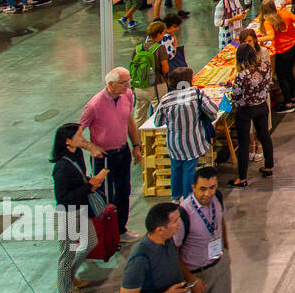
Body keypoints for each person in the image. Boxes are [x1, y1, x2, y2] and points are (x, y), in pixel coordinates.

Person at [173, 167, 255, 293]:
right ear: (193, 187)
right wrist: (191, 280)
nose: (207, 193)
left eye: (211, 187)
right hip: (196, 275)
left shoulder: (217, 199)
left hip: (218, 266)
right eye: (202, 189)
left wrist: (225, 249)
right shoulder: (184, 213)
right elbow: (174, 252)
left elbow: (220, 221)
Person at [78, 68, 144, 244]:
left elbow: (129, 120)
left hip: (122, 152)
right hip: (104, 157)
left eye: (128, 81)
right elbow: (76, 134)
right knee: (103, 196)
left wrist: (136, 145)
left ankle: (121, 230)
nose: (127, 86)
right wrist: (90, 147)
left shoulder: (127, 95)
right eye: (124, 83)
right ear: (110, 84)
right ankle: (103, 235)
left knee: (124, 192)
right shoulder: (94, 106)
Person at [52, 122, 104, 293]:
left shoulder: (77, 154)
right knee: (68, 252)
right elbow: (62, 197)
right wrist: (87, 188)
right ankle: (66, 291)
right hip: (68, 213)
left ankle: (68, 277)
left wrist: (91, 182)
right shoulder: (61, 167)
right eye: (79, 136)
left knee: (90, 242)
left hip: (81, 209)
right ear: (68, 141)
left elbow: (80, 179)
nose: (83, 139)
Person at [153, 68, 218, 200]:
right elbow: (213, 109)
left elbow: (158, 122)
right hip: (192, 142)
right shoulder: (196, 94)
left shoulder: (166, 99)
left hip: (174, 143)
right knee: (189, 170)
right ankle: (188, 199)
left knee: (175, 170)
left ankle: (175, 198)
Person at [229, 43, 274, 187]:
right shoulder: (265, 66)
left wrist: (237, 103)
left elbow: (236, 95)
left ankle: (242, 178)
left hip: (245, 110)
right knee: (264, 136)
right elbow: (268, 84)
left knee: (244, 144)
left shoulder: (241, 75)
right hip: (261, 105)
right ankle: (268, 167)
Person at [258, 0, 295, 114]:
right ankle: (293, 96)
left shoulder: (268, 21)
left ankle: (288, 103)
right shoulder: (284, 13)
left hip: (283, 51)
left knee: (282, 76)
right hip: (293, 47)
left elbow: (271, 37)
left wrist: (259, 40)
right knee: (289, 72)